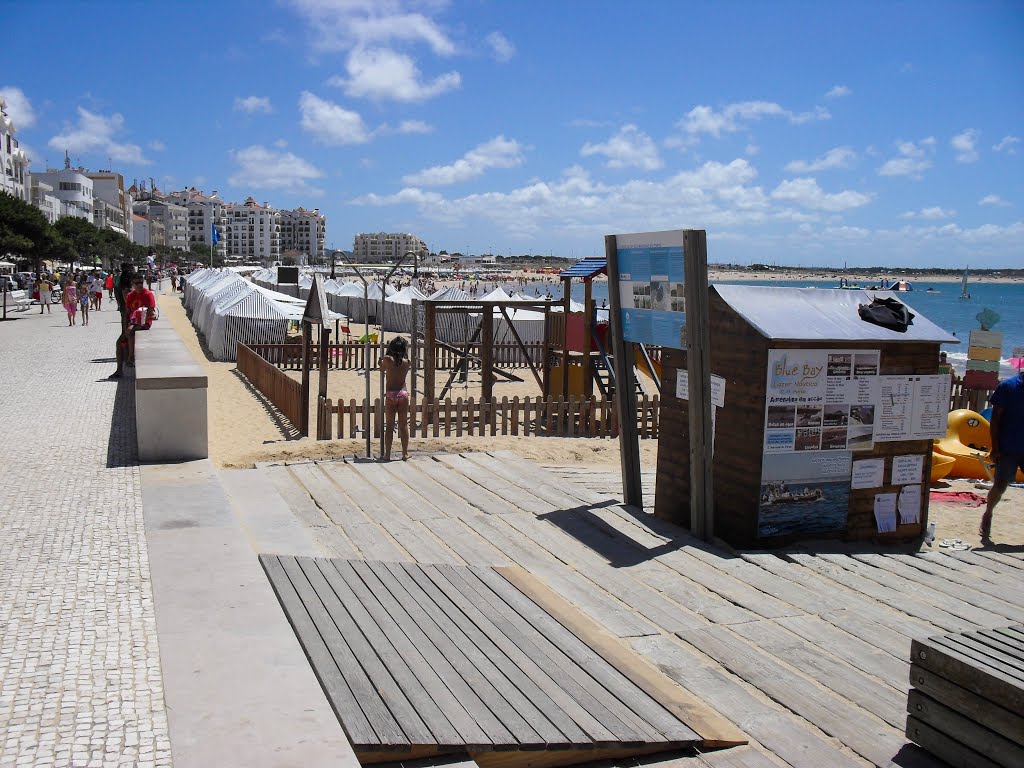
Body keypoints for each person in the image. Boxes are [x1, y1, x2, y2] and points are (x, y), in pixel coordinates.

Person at [981, 369, 1024, 540]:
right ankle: (988, 513)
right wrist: (995, 448)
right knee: (1000, 485)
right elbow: (996, 420)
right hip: (1008, 447)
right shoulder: (1008, 386)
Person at [109, 274, 156, 378]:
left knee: (130, 331)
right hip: (133, 323)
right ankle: (119, 370)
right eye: (136, 283)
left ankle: (131, 357)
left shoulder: (148, 294)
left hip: (145, 322)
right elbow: (127, 313)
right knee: (119, 342)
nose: (139, 285)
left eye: (141, 282)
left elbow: (150, 312)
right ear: (132, 284)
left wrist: (136, 322)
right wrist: (126, 327)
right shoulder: (130, 295)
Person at [379, 336, 411, 461]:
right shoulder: (407, 362)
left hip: (391, 394)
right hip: (403, 393)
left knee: (390, 426)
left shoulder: (387, 359)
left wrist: (379, 363)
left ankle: (387, 454)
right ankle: (405, 453)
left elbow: (382, 369)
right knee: (403, 425)